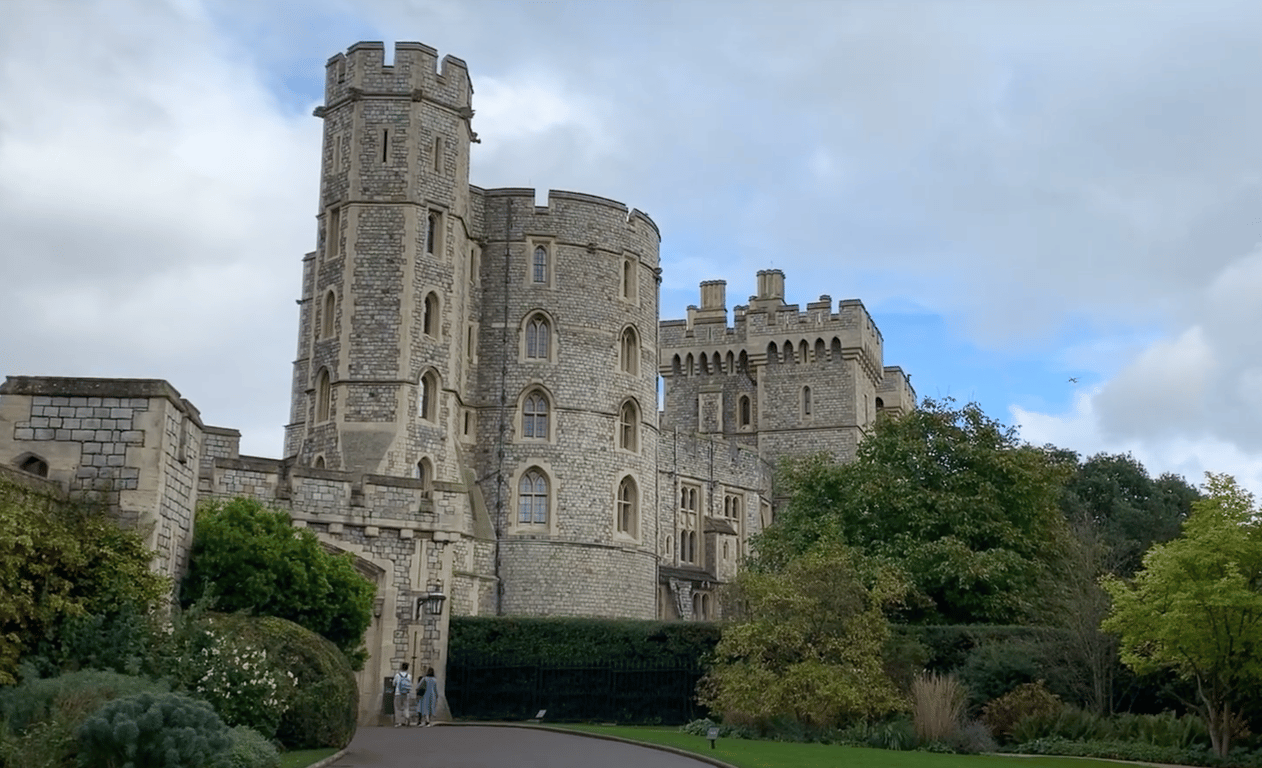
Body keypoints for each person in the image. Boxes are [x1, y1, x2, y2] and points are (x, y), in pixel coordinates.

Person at [392, 663, 412, 727]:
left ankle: (398, 722)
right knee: (406, 707)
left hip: (398, 693)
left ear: (401, 667)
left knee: (398, 708)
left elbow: (394, 683)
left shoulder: (397, 675)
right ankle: (407, 717)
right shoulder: (409, 676)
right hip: (406, 693)